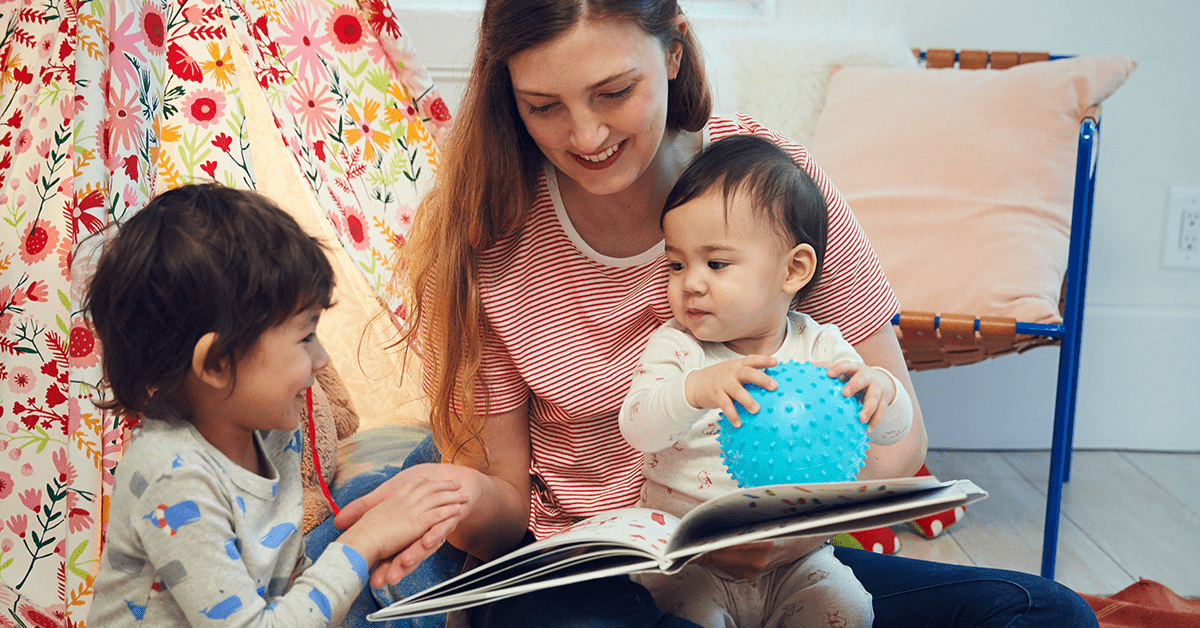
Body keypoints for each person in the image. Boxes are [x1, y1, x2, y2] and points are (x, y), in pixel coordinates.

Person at [334, 1, 1100, 626]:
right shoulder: (485, 233)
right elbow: (502, 505)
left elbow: (900, 440)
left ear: (673, 52)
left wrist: (786, 529)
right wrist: (461, 496)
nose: (586, 135)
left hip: (785, 562)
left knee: (1047, 616)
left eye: (612, 92)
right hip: (592, 575)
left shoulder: (771, 185)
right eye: (544, 107)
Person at [85, 184, 468, 627]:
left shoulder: (273, 433)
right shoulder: (172, 477)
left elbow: (288, 582)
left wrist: (376, 540)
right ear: (218, 362)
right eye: (305, 336)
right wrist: (364, 543)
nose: (322, 359)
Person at [619, 134, 913, 627]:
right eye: (676, 263)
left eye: (716, 263)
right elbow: (638, 428)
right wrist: (695, 390)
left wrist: (883, 393)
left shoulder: (821, 347)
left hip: (795, 557)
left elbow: (892, 434)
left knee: (849, 608)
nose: (690, 282)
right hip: (687, 563)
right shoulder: (678, 348)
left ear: (793, 269)